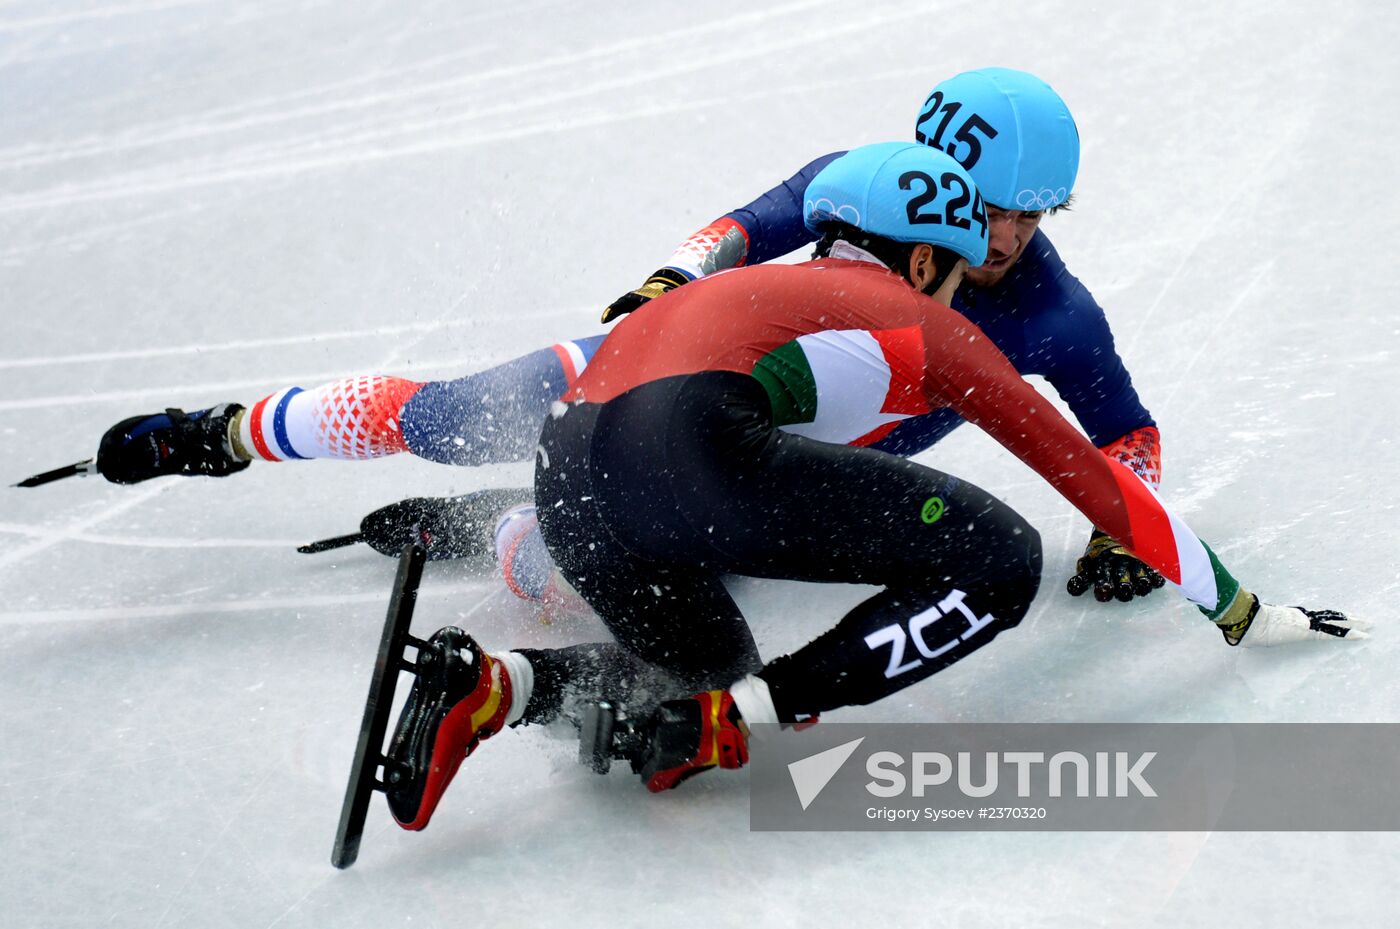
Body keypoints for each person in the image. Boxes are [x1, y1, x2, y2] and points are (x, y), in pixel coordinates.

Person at [378, 143, 1365, 832]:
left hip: (568, 471)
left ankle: (495, 685)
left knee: (698, 679)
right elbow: (1094, 482)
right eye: (956, 264)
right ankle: (757, 711)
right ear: (926, 257)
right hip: (690, 461)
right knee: (1001, 555)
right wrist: (1238, 608)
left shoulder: (734, 284)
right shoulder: (922, 317)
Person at [82, 68, 1163, 605]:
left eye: (1029, 216)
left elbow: (1126, 429)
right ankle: (230, 433)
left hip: (773, 477)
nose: (998, 236)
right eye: (983, 206)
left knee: (592, 574)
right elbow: (742, 228)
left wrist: (1124, 529)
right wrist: (671, 278)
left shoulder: (1052, 316)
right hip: (699, 379)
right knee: (458, 415)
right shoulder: (870, 184)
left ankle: (512, 528)